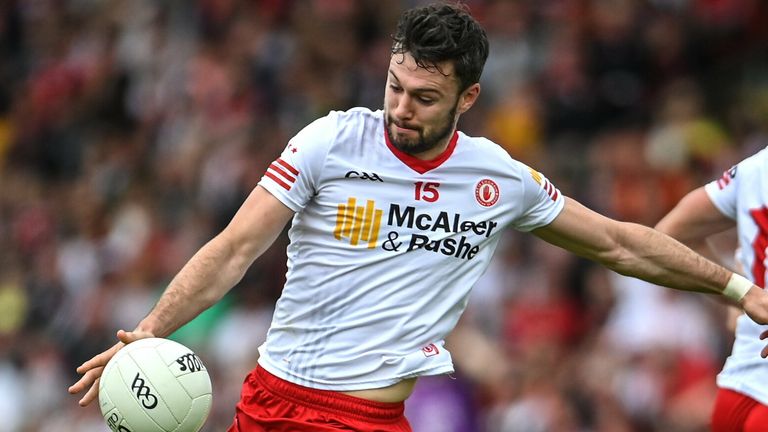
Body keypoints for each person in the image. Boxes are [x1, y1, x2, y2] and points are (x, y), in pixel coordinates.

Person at [69, 3, 768, 431]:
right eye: (395, 88)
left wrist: (739, 291)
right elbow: (232, 250)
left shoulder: (499, 178)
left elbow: (621, 244)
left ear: (468, 98)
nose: (401, 109)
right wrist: (152, 330)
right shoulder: (331, 141)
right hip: (277, 402)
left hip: (376, 417)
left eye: (425, 98)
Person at [655, 148, 768, 432]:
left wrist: (741, 295)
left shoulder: (754, 168)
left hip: (738, 391)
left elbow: (669, 234)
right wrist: (739, 294)